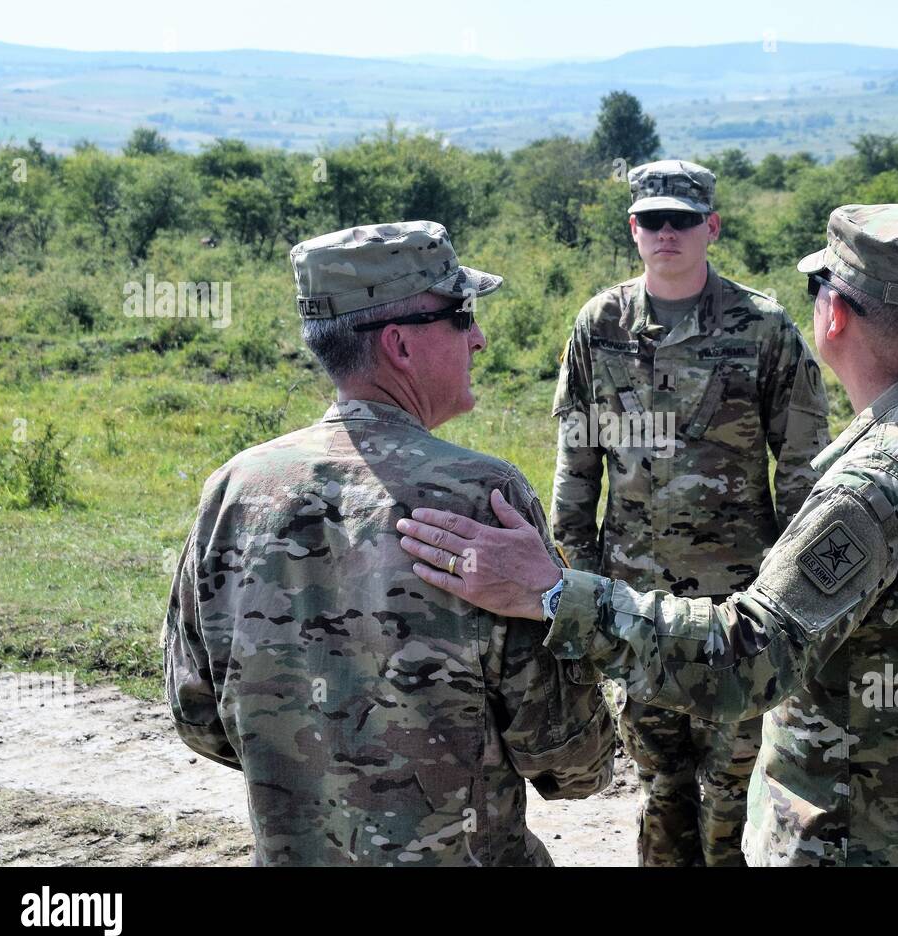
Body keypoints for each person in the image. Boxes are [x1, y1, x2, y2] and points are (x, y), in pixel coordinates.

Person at [398, 204, 898, 866]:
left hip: (871, 837)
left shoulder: (875, 483)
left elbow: (746, 661)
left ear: (836, 315)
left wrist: (553, 594)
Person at [163, 221, 614, 866]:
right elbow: (571, 757)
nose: (479, 338)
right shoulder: (482, 496)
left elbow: (198, 715)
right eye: (463, 315)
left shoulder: (235, 490)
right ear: (400, 344)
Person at [552, 158, 831, 866]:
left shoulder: (763, 328)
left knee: (734, 783)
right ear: (633, 230)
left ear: (712, 226)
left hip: (741, 604)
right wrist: (580, 593)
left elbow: (802, 470)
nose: (666, 233)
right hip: (633, 600)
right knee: (661, 781)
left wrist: (800, 599)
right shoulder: (601, 325)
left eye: (682, 220)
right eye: (652, 221)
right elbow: (576, 468)